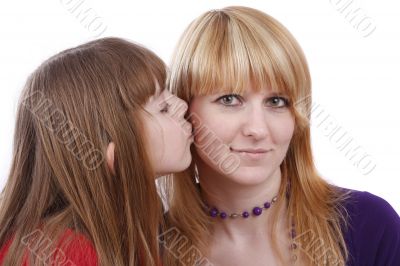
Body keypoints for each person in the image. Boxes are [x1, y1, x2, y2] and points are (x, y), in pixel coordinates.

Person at [165, 6, 400, 266]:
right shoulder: (153, 245)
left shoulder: (368, 225)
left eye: (276, 101)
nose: (258, 129)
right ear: (183, 109)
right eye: (229, 99)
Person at [0, 37, 193, 265]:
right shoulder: (62, 254)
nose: (182, 105)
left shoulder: (134, 229)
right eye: (163, 107)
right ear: (116, 158)